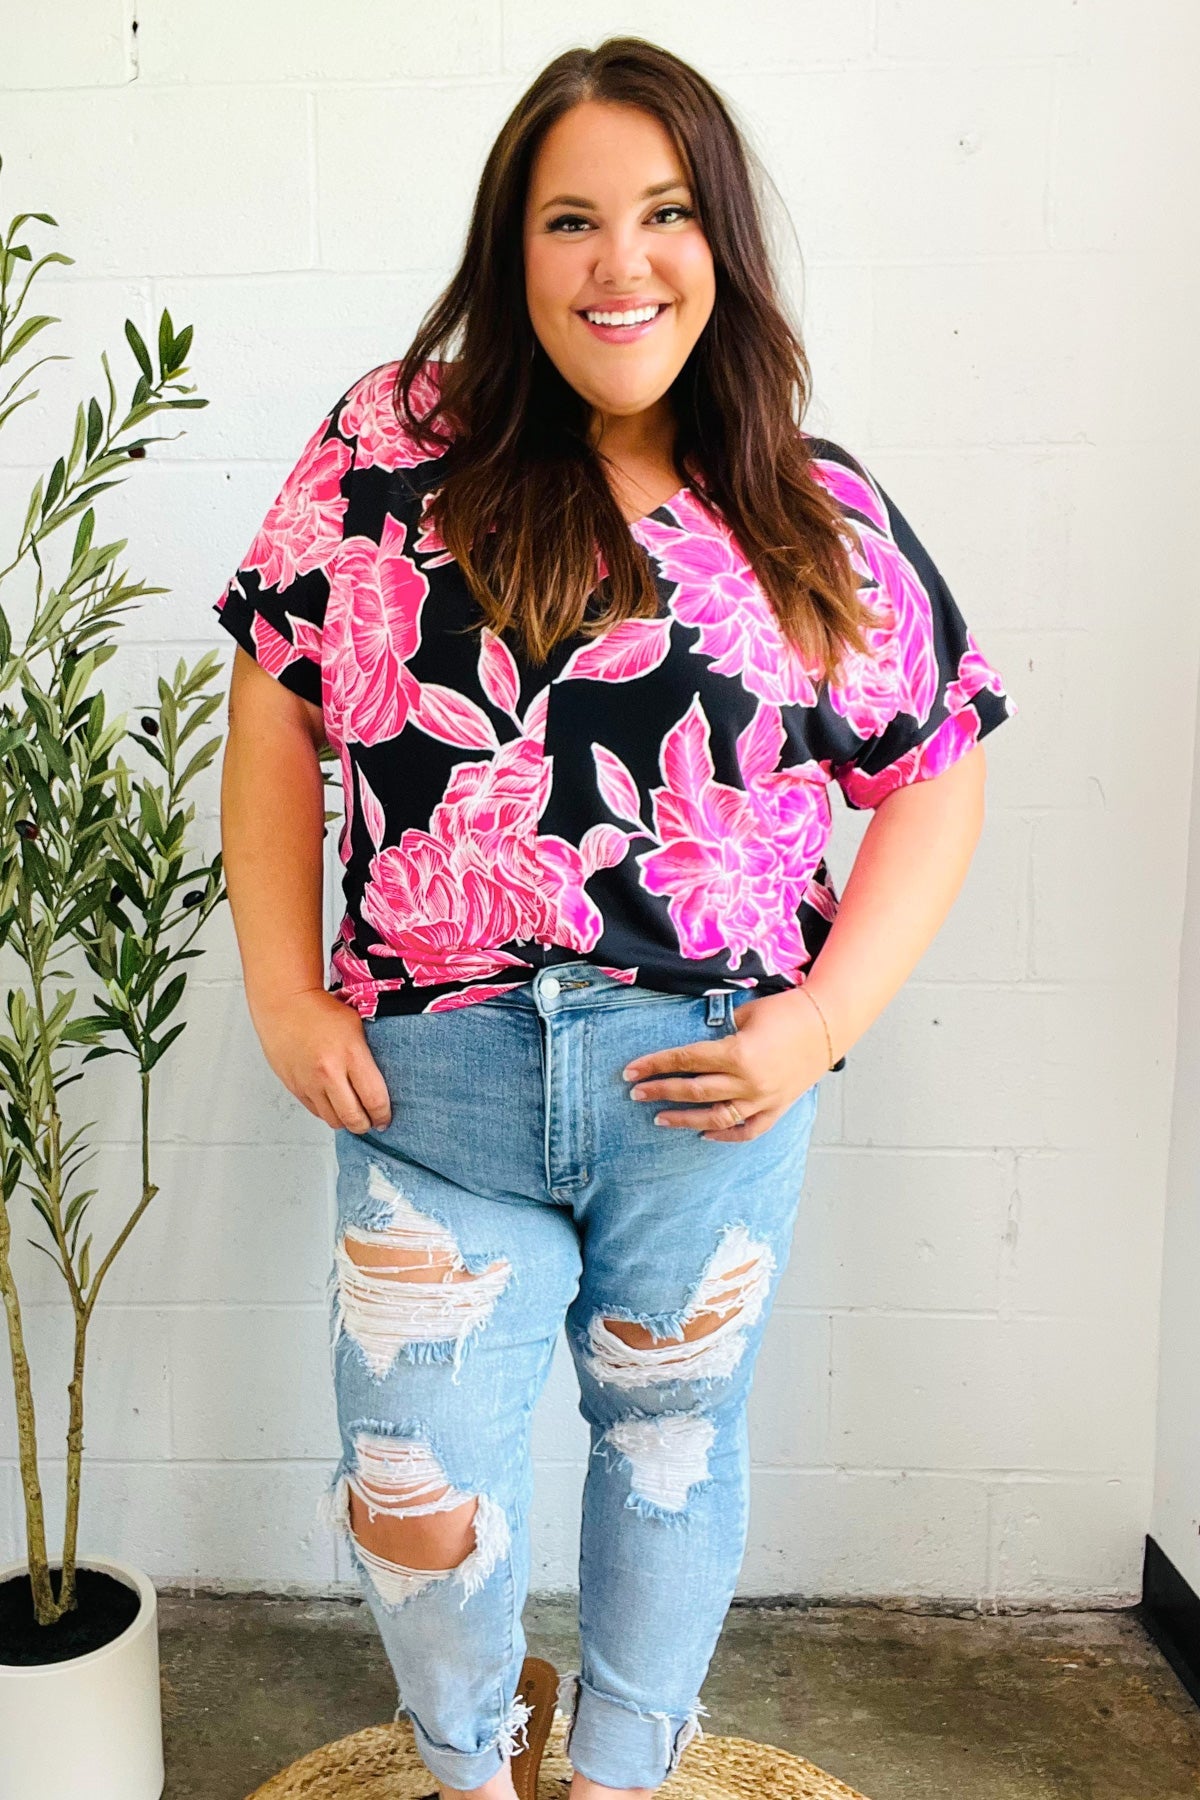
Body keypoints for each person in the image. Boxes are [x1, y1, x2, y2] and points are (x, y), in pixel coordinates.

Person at [214, 34, 1015, 1800]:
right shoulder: (390, 447)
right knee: (413, 1482)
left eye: (664, 214)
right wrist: (280, 988)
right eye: (570, 220)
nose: (619, 262)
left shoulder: (810, 506)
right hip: (436, 1092)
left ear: (721, 241)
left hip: (708, 1093)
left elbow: (937, 769)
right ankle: (471, 1764)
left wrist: (822, 1021)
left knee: (669, 1452)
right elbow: (275, 693)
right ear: (513, 251)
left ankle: (623, 1774)